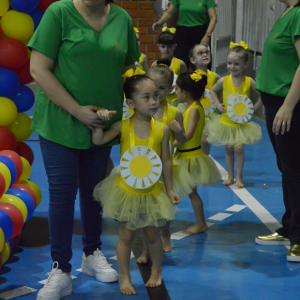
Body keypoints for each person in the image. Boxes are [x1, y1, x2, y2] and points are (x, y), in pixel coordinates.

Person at [28, 0, 141, 298]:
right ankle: (60, 269)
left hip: (101, 125)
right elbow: (38, 70)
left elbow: (128, 64)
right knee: (63, 194)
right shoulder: (59, 13)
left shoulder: (122, 18)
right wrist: (77, 110)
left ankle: (91, 254)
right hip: (59, 121)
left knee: (95, 191)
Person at [92, 72, 180, 295]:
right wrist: (97, 123)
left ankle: (157, 270)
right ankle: (125, 276)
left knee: (152, 235)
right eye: (147, 97)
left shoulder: (162, 129)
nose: (153, 102)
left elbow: (166, 161)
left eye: (156, 96)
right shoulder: (123, 127)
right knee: (126, 236)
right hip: (126, 192)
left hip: (152, 192)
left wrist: (169, 189)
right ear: (130, 103)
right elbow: (99, 140)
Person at [136, 59, 196, 263]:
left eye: (161, 88)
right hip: (143, 168)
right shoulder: (141, 111)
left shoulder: (174, 112)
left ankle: (166, 236)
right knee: (145, 212)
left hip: (164, 170)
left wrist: (179, 132)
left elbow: (182, 140)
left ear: (170, 88)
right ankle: (145, 249)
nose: (157, 93)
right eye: (153, 87)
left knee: (162, 210)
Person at [255, 0, 300, 262]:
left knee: (295, 171)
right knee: (286, 168)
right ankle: (289, 226)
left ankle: (299, 237)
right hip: (275, 103)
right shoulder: (288, 12)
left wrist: (287, 106)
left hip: (289, 105)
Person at [206, 42, 262, 188]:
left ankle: (239, 177)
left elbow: (262, 94)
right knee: (229, 149)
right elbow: (212, 90)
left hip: (241, 123)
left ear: (245, 65)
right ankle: (230, 176)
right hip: (226, 121)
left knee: (239, 149)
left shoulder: (248, 81)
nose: (232, 67)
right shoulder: (224, 80)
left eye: (236, 64)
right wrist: (217, 104)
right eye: (230, 63)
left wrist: (255, 107)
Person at [173, 70, 221, 234]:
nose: (175, 91)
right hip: (185, 155)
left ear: (185, 93)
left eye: (177, 89)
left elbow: (188, 135)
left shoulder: (194, 109)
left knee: (192, 192)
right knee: (190, 191)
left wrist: (168, 143)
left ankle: (201, 223)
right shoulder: (191, 107)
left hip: (190, 156)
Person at [152, 0, 217, 70]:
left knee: (202, 62)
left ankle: (203, 79)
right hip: (183, 33)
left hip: (200, 33)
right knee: (180, 61)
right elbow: (169, 13)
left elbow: (213, 17)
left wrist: (207, 35)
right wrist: (160, 22)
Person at [189, 43, 221, 155]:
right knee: (195, 139)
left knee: (204, 140)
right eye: (200, 53)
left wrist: (219, 102)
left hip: (210, 115)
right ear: (193, 60)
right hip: (196, 113)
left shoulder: (215, 76)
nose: (205, 55)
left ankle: (205, 159)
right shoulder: (191, 77)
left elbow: (224, 89)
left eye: (207, 52)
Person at [152, 28, 187, 106]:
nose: (166, 49)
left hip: (176, 100)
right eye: (163, 46)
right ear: (158, 47)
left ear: (175, 46)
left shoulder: (180, 63)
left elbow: (186, 83)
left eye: (169, 46)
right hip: (159, 100)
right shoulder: (155, 64)